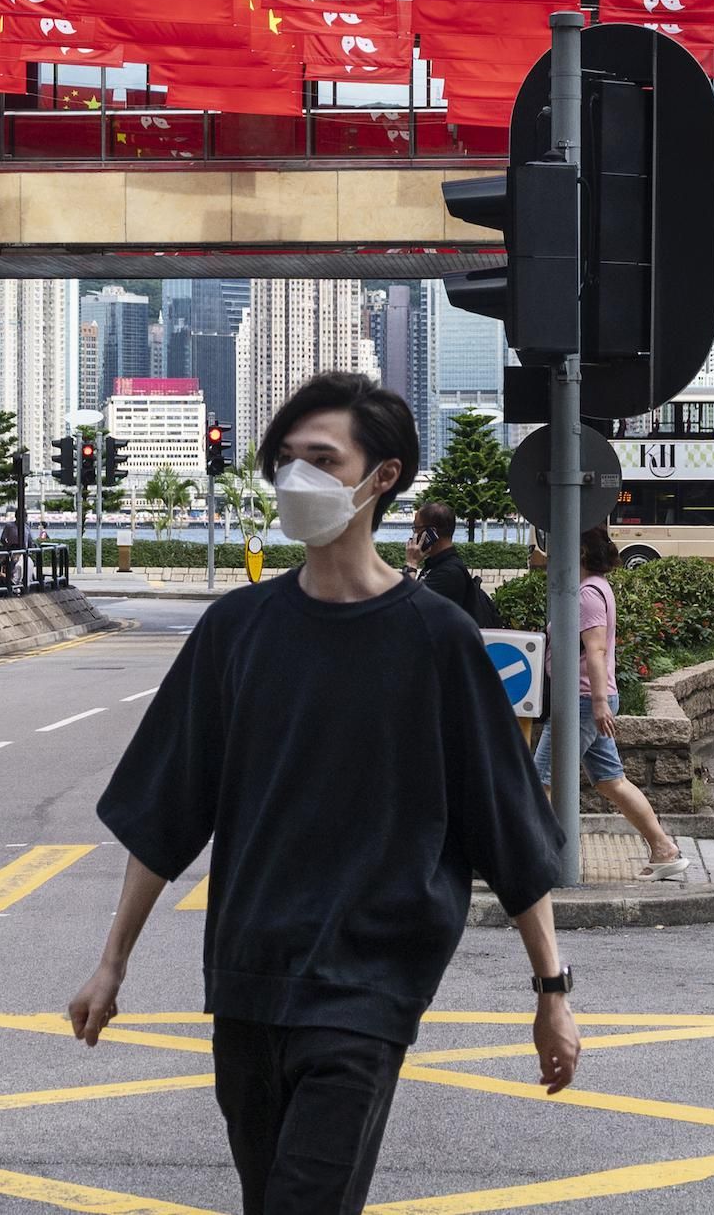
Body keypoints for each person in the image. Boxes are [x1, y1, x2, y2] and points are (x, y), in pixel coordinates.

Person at [69, 372, 576, 1215]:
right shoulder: (237, 630)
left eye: (319, 458)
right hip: (247, 977)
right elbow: (166, 811)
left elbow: (508, 825)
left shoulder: (436, 638)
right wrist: (110, 963)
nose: (294, 479)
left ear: (381, 478)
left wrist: (551, 995)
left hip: (367, 985)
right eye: (284, 461)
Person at [568, 527, 687, 883]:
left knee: (543, 779)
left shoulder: (589, 593)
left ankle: (529, 861)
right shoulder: (598, 587)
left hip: (586, 699)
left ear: (583, 553)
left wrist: (601, 702)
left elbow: (596, 649)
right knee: (610, 781)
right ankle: (664, 849)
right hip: (592, 698)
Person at [407, 502, 490, 623]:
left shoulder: (449, 573)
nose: (414, 535)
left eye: (416, 528)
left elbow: (404, 608)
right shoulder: (436, 565)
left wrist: (411, 564)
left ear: (431, 533)